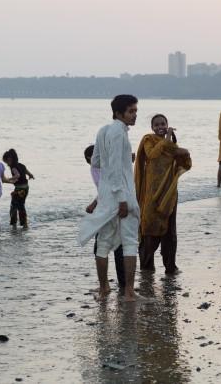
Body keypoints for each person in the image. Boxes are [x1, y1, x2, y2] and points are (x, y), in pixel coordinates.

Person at [78, 95, 142, 301]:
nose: (135, 115)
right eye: (131, 111)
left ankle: (104, 287)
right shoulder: (118, 134)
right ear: (118, 113)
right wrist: (122, 198)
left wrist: (122, 161)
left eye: (135, 111)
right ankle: (129, 291)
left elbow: (96, 161)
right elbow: (114, 167)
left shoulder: (103, 131)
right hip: (121, 196)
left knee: (104, 244)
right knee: (130, 242)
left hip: (106, 196)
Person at [135, 114, 192, 274]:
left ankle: (170, 267)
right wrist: (167, 140)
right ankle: (146, 266)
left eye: (163, 123)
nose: (160, 126)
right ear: (152, 127)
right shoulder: (148, 140)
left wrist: (184, 152)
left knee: (169, 230)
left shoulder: (170, 144)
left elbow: (181, 161)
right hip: (151, 194)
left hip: (169, 193)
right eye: (157, 124)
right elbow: (152, 155)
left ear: (167, 124)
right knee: (149, 228)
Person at [84, 144, 126, 292]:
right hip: (115, 207)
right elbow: (106, 188)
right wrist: (94, 203)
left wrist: (95, 204)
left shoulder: (99, 168)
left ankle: (106, 285)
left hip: (109, 210)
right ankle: (121, 284)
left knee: (102, 248)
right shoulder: (104, 167)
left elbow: (107, 189)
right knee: (118, 246)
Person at [2, 149, 35, 228]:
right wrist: (31, 176)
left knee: (13, 206)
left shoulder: (13, 167)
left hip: (19, 189)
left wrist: (8, 179)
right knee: (21, 205)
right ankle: (24, 224)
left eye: (6, 162)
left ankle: (14, 224)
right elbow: (29, 174)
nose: (7, 164)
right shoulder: (22, 165)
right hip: (26, 188)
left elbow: (17, 175)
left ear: (10, 159)